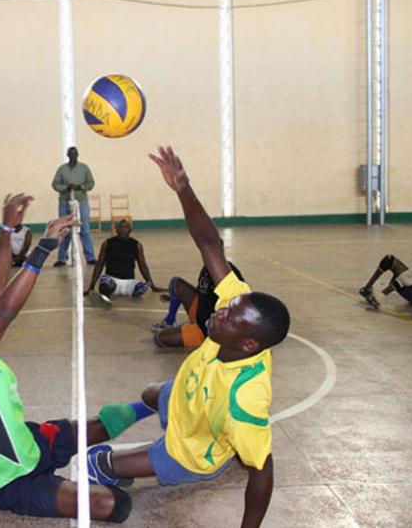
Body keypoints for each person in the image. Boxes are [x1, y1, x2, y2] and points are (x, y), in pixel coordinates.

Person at [86, 146, 290, 528]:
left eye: (230, 315)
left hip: (190, 453)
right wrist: (183, 188)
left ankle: (198, 459)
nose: (222, 308)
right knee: (151, 392)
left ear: (248, 345)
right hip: (187, 393)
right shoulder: (236, 314)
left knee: (98, 463)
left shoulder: (244, 401)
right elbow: (211, 244)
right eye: (229, 305)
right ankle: (161, 411)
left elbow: (262, 470)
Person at [0, 194, 151, 522]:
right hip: (10, 483)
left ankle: (151, 406)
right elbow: (4, 312)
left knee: (101, 425)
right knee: (112, 506)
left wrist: (6, 229)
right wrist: (42, 249)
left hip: (30, 441)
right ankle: (87, 479)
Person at [152, 250, 245, 350]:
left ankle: (201, 339)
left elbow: (241, 301)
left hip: (205, 329)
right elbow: (202, 291)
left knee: (159, 339)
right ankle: (170, 320)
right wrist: (172, 298)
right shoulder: (206, 268)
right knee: (176, 283)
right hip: (199, 312)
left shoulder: (229, 274)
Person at [83, 219, 160, 307]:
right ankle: (105, 300)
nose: (123, 229)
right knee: (104, 284)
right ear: (116, 229)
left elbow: (143, 266)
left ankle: (133, 290)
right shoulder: (107, 243)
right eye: (120, 227)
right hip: (111, 281)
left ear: (130, 230)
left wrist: (152, 285)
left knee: (141, 287)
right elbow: (99, 265)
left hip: (129, 282)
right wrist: (91, 287)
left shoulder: (137, 245)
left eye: (126, 227)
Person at [51, 146, 97, 267]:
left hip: (81, 202)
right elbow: (55, 184)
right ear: (67, 155)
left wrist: (80, 187)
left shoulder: (84, 168)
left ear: (77, 155)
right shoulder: (62, 169)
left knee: (85, 229)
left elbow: (91, 183)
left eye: (74, 153)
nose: (72, 156)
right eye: (70, 154)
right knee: (64, 229)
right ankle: (61, 258)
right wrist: (65, 187)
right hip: (65, 203)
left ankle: (90, 257)